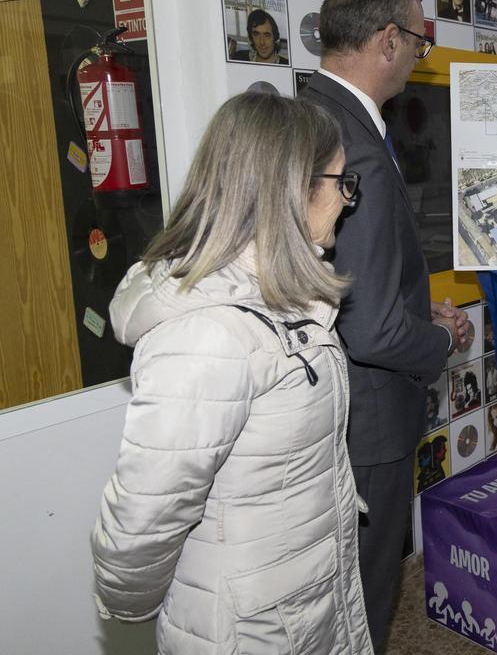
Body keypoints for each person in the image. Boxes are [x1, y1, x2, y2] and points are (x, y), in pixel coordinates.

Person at [90, 93, 368, 654]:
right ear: (293, 189)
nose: (347, 200)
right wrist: (136, 609)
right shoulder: (208, 337)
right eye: (342, 182)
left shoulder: (283, 296)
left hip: (304, 604)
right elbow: (142, 523)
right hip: (248, 631)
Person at [300, 0, 470, 653]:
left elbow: (342, 273)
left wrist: (410, 291)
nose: (417, 58)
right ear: (387, 41)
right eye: (420, 43)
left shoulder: (311, 111)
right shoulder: (357, 148)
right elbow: (369, 327)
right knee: (364, 600)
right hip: (369, 427)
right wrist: (437, 344)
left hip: (335, 409)